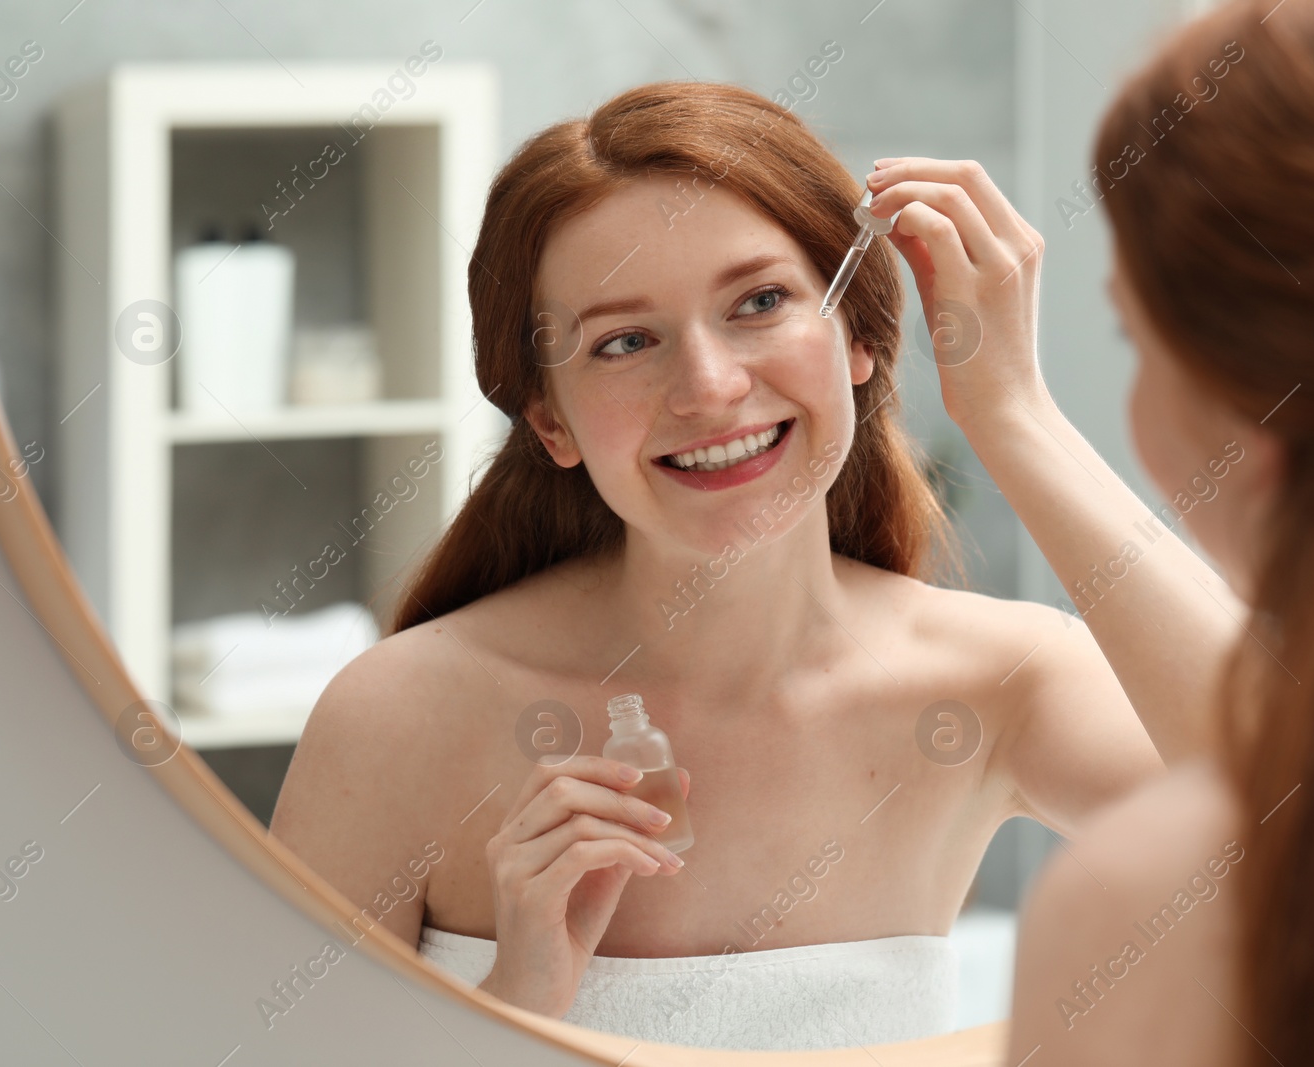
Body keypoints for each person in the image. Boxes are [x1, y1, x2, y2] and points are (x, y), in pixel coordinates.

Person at [268, 77, 1242, 1051]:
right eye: (623, 341)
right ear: (550, 418)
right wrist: (516, 1000)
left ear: (857, 334)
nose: (708, 385)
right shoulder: (398, 718)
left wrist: (1014, 415)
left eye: (761, 301)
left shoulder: (1000, 684)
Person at [892, 0, 1314, 1062]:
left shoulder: (1158, 910)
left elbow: (1292, 793)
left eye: (1131, 336)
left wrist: (1013, 415)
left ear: (1258, 420)